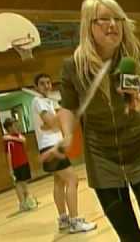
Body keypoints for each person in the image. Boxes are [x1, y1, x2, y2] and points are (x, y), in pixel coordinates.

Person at [53, 0, 140, 241]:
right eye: (104, 19)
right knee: (128, 233)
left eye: (118, 18)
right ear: (89, 25)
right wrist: (67, 134)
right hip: (101, 158)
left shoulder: (134, 56)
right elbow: (68, 107)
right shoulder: (73, 66)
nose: (113, 24)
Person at [31, 73, 97, 234]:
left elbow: (52, 124)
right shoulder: (38, 101)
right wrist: (63, 113)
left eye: (48, 82)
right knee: (72, 180)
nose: (47, 86)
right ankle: (75, 221)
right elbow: (52, 122)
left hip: (53, 145)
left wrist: (55, 121)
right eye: (42, 83)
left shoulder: (47, 102)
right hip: (51, 146)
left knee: (59, 182)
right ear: (36, 87)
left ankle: (63, 219)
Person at [3, 117, 35, 212]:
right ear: (9, 127)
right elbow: (8, 155)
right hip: (16, 165)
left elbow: (24, 140)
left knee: (24, 183)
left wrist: (11, 137)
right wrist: (10, 169)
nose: (16, 126)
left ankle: (27, 201)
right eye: (13, 125)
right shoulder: (8, 142)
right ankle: (22, 203)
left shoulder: (16, 136)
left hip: (24, 162)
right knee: (18, 184)